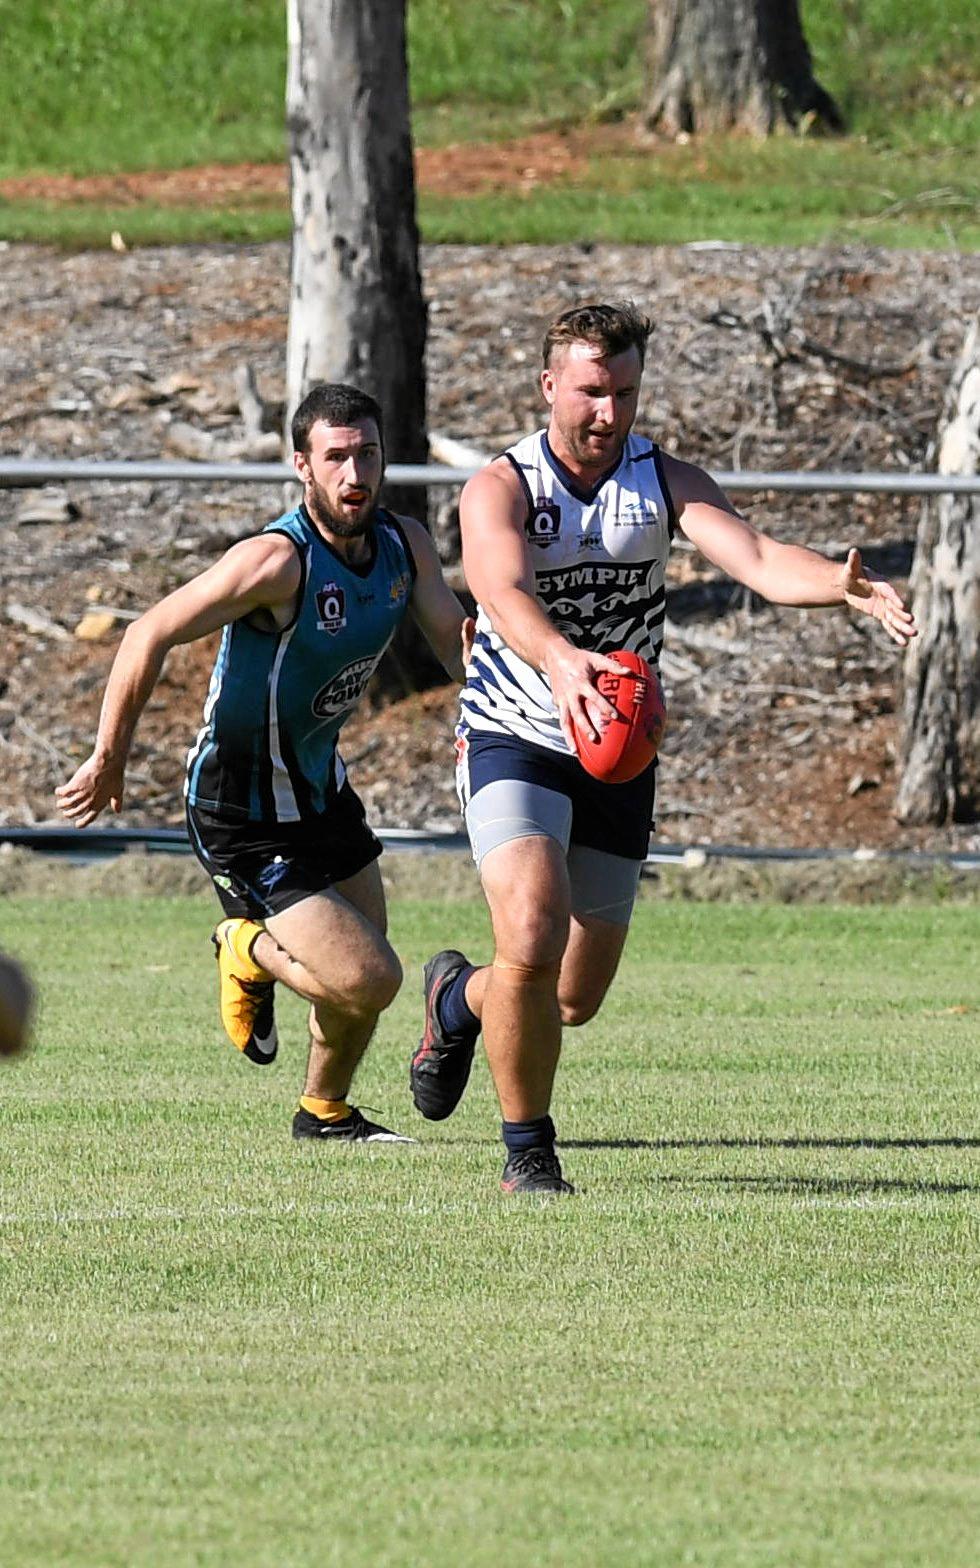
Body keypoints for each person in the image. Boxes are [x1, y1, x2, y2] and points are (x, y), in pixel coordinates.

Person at [410, 301, 918, 1196]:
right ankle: (528, 1154)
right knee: (529, 924)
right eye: (592, 393)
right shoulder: (502, 486)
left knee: (567, 997)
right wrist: (563, 663)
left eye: (627, 393)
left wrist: (836, 587)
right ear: (549, 387)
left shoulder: (664, 479)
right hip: (516, 731)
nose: (610, 413)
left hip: (617, 751)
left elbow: (755, 556)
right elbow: (498, 586)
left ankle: (457, 1000)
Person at [58, 382, 470, 1144]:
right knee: (371, 979)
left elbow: (453, 642)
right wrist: (108, 756)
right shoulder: (277, 562)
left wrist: (523, 693)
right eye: (337, 458)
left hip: (319, 788)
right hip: (240, 806)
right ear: (302, 468)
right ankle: (243, 945)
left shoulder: (403, 544)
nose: (356, 475)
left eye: (368, 455)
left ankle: (324, 1113)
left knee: (358, 979)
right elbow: (147, 633)